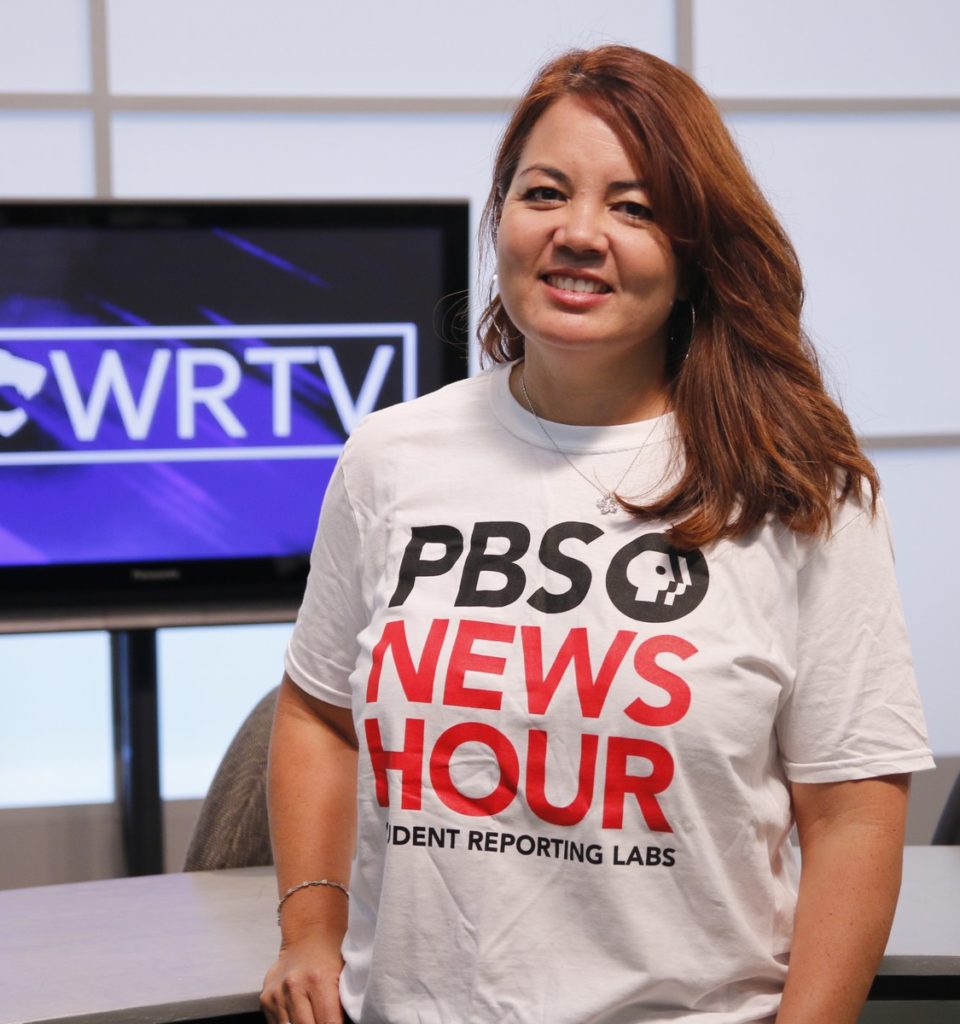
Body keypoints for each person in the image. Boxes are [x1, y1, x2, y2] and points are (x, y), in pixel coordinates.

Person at [260, 44, 934, 1024]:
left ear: (696, 251)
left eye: (635, 208)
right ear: (501, 217)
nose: (579, 234)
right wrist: (310, 927)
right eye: (544, 193)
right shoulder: (391, 456)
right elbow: (317, 712)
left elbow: (854, 814)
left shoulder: (795, 488)